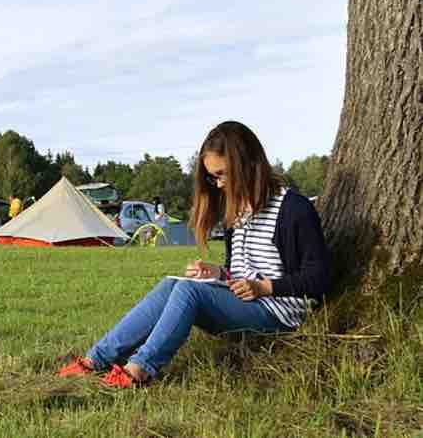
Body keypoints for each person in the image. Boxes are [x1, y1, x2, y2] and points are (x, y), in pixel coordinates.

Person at [58, 120, 331, 388]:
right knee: (171, 284)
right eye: (213, 177)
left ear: (248, 164)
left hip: (278, 314)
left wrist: (264, 287)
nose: (219, 184)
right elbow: (240, 272)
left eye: (223, 174)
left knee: (190, 291)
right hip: (245, 303)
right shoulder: (236, 211)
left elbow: (319, 277)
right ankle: (96, 360)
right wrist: (218, 273)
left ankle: (139, 370)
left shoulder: (293, 209)